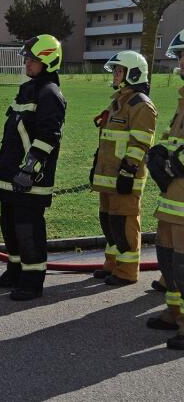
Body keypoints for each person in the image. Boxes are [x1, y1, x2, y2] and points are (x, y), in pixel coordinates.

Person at [0, 34, 67, 301]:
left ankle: (32, 281)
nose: (27, 63)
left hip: (30, 177)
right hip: (10, 173)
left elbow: (48, 136)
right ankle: (16, 270)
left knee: (27, 228)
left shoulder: (50, 94)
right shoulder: (27, 89)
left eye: (32, 59)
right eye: (27, 58)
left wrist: (30, 169)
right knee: (9, 224)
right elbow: (12, 132)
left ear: (48, 61)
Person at [90, 51, 157, 286]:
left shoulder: (141, 105)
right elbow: (108, 140)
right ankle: (112, 264)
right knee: (108, 221)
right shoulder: (119, 102)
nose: (116, 75)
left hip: (125, 177)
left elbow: (140, 143)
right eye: (116, 71)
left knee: (124, 222)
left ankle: (127, 271)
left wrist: (128, 172)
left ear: (133, 73)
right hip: (109, 176)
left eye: (120, 71)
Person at [145, 28, 184, 349]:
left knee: (183, 262)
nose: (181, 62)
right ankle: (175, 312)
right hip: (173, 197)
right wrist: (162, 153)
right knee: (168, 258)